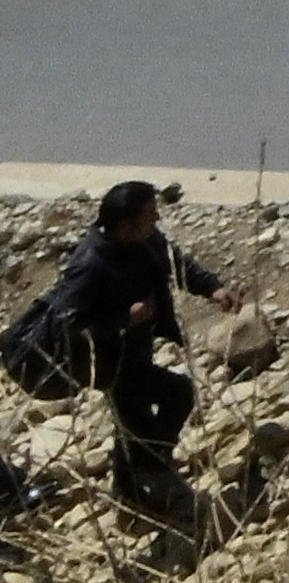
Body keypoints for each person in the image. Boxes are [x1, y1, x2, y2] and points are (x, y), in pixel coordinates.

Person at [27, 177, 222, 502]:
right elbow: (70, 324)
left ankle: (130, 490)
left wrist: (213, 289)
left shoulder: (144, 241)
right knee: (176, 394)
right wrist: (124, 318)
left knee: (131, 423)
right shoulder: (91, 264)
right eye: (150, 214)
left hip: (136, 350)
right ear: (125, 224)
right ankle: (151, 472)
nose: (156, 220)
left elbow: (175, 263)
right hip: (110, 361)